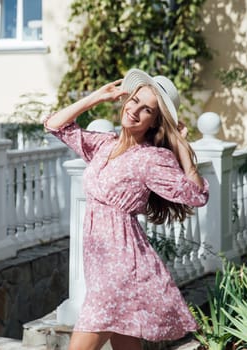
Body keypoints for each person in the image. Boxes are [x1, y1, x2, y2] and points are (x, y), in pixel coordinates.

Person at [43, 68, 209, 350]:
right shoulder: (103, 145)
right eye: (134, 101)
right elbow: (54, 125)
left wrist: (182, 146)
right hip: (101, 266)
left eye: (146, 110)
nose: (134, 111)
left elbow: (196, 195)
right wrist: (95, 97)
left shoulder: (151, 159)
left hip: (122, 268)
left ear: (154, 123)